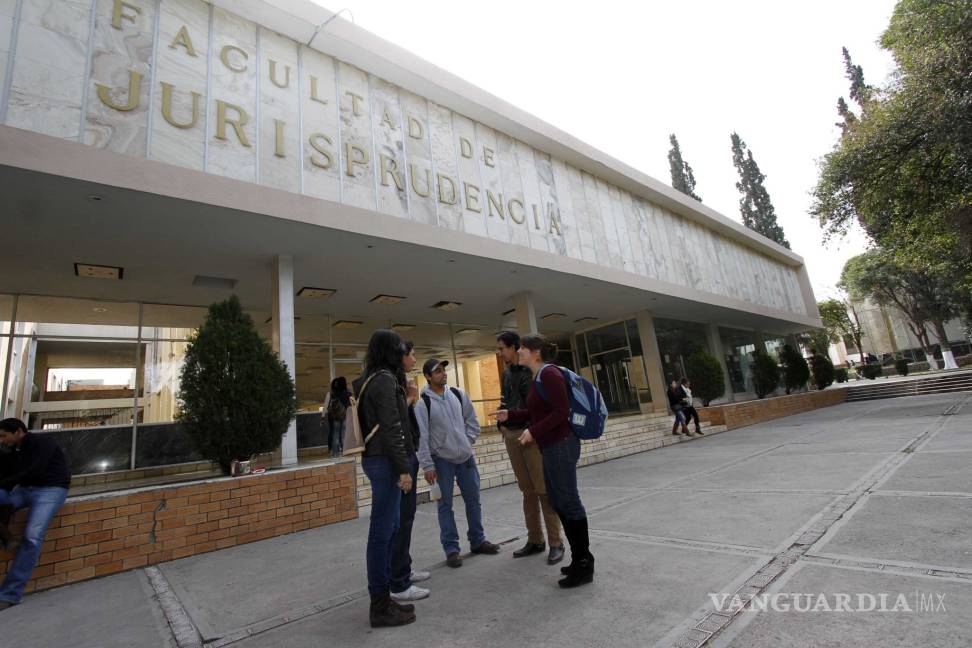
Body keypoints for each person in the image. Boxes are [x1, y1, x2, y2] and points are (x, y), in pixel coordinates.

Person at [494, 334, 595, 588]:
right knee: (559, 501)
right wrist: (511, 415)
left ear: (535, 352)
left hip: (561, 445)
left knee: (569, 502)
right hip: (551, 446)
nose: (519, 352)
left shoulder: (549, 374)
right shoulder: (539, 376)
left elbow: (562, 412)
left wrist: (533, 431)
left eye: (523, 348)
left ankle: (584, 563)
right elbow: (537, 411)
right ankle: (578, 560)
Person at [351, 330, 415, 628]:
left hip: (377, 459)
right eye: (399, 348)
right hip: (386, 462)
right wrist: (403, 469)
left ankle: (384, 598)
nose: (403, 353)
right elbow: (392, 428)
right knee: (382, 532)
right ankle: (379, 605)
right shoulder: (385, 381)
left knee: (388, 529)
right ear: (390, 351)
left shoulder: (370, 378)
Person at [415, 358, 500, 568]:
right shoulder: (423, 404)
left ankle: (478, 540)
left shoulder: (458, 394)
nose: (443, 373)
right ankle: (451, 549)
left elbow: (472, 421)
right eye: (437, 371)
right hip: (441, 461)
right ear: (427, 376)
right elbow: (422, 437)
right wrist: (427, 465)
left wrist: (466, 442)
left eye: (443, 370)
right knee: (445, 506)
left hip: (466, 459)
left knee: (473, 500)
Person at [496, 331, 564, 565]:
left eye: (502, 348)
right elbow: (505, 400)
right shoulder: (506, 374)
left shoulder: (534, 372)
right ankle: (535, 539)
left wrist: (532, 430)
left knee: (543, 489)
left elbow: (541, 408)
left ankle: (556, 542)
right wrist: (502, 425)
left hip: (532, 435)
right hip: (512, 434)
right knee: (527, 491)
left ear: (515, 348)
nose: (500, 353)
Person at [0, 418, 72, 610]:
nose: (1, 440)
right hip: (25, 489)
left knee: (33, 536)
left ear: (18, 432)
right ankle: (7, 537)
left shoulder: (43, 442)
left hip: (51, 490)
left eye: (4, 436)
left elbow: (34, 471)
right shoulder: (12, 450)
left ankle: (10, 594)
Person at [388, 341, 431, 602]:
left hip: (409, 453)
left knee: (407, 517)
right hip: (400, 459)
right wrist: (409, 399)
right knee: (400, 520)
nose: (415, 359)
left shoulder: (398, 381)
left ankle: (403, 568)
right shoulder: (388, 382)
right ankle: (398, 581)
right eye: (412, 355)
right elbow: (392, 422)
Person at [324, 376, 352, 457]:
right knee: (343, 434)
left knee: (335, 434)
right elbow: (350, 404)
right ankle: (344, 451)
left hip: (336, 416)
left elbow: (329, 404)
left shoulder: (334, 392)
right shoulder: (347, 392)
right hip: (345, 415)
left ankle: (335, 453)